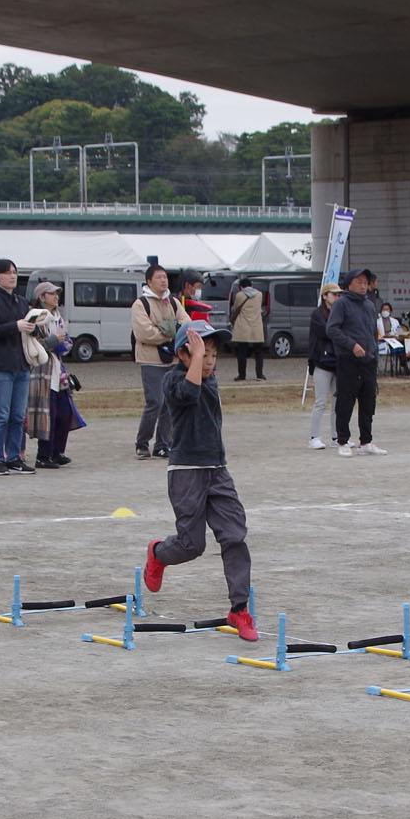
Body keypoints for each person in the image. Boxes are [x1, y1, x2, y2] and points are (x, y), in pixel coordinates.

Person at [140, 322, 257, 641]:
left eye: (214, 356)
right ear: (183, 354)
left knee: (234, 536)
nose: (210, 362)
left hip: (217, 470)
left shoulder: (210, 379)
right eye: (204, 355)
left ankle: (239, 608)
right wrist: (195, 359)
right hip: (186, 471)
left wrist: (201, 356)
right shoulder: (174, 380)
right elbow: (188, 394)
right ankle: (159, 552)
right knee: (192, 545)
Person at [0, 258, 38, 474]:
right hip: (1, 364)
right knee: (1, 415)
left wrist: (33, 325)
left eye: (14, 272)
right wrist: (15, 326)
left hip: (22, 362)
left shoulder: (21, 302)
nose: (12, 276)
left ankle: (14, 456)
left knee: (17, 415)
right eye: (7, 272)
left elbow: (29, 329)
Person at [327, 268, 386, 455]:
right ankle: (342, 441)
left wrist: (374, 353)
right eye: (359, 282)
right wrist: (352, 345)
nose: (363, 286)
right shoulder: (341, 304)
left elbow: (372, 333)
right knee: (346, 399)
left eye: (365, 282)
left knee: (368, 400)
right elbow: (332, 329)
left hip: (369, 360)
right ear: (350, 283)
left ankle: (366, 441)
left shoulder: (369, 305)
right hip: (348, 359)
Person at [129, 265, 182, 459]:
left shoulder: (173, 302)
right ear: (149, 281)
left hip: (172, 360)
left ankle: (162, 444)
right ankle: (142, 442)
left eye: (165, 277)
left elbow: (185, 324)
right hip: (150, 360)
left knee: (169, 402)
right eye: (159, 277)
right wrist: (169, 333)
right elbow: (144, 333)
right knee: (155, 402)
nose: (163, 280)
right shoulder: (141, 304)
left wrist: (171, 332)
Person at [30, 281, 84, 468]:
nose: (56, 297)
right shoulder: (35, 317)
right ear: (41, 297)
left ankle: (57, 451)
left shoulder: (58, 317)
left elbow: (66, 339)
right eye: (51, 294)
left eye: (56, 293)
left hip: (58, 370)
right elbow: (33, 345)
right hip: (42, 371)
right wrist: (53, 341)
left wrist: (65, 343)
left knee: (64, 412)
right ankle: (43, 455)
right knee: (48, 413)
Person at [305, 282, 340, 448]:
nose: (337, 297)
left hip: (338, 362)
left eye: (338, 294)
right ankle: (314, 437)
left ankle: (337, 436)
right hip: (322, 362)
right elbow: (329, 332)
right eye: (333, 294)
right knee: (320, 401)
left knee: (338, 401)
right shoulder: (317, 315)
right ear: (325, 296)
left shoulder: (340, 312)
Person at [227, 275, 268, 380]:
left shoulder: (240, 295)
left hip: (243, 327)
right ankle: (259, 374)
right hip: (256, 327)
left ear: (241, 287)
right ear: (251, 285)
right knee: (258, 353)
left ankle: (242, 375)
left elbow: (235, 308)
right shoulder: (259, 295)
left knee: (242, 353)